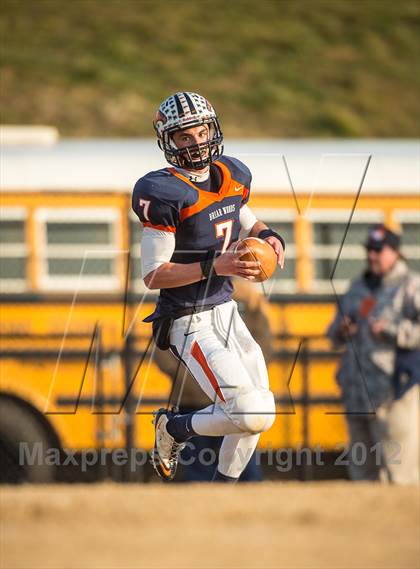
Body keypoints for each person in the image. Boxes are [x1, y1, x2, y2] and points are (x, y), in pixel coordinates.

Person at [132, 92, 285, 482]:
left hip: (225, 309)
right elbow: (154, 274)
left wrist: (268, 235)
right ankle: (173, 427)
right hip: (187, 319)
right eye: (185, 136)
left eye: (201, 131)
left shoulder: (231, 174)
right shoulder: (164, 192)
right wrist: (215, 264)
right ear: (170, 141)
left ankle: (222, 499)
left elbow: (242, 214)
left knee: (261, 414)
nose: (197, 142)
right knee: (246, 410)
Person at [327, 224, 419, 484]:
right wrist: (342, 329)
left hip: (393, 393)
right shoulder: (358, 287)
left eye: (379, 250)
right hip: (356, 392)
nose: (372, 256)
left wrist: (392, 331)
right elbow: (332, 333)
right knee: (362, 475)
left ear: (396, 252)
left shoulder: (410, 286)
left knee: (399, 473)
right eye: (370, 250)